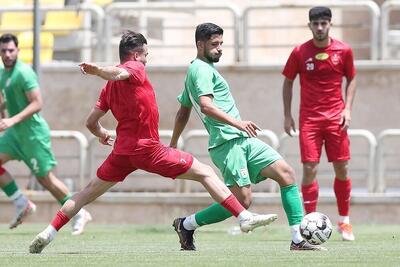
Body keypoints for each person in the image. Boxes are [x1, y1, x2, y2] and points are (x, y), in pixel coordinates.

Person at [29, 30, 278, 254]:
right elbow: (119, 72)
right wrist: (97, 70)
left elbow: (91, 123)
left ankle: (48, 232)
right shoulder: (135, 70)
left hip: (122, 153)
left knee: (85, 193)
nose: (147, 59)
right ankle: (244, 216)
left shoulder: (108, 89)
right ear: (136, 55)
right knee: (205, 172)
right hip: (148, 149)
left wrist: (103, 134)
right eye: (146, 54)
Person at [170, 23, 325, 251]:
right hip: (227, 143)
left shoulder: (199, 70)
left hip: (243, 140)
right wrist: (239, 123)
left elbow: (183, 110)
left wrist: (173, 143)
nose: (220, 48)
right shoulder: (201, 70)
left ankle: (297, 239)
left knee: (286, 174)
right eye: (214, 45)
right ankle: (187, 224)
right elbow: (205, 106)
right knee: (241, 202)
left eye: (221, 43)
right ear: (199, 44)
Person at [0, 33, 91, 235]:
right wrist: (4, 116)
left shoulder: (23, 73)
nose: (7, 54)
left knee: (46, 180)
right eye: (4, 50)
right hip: (14, 135)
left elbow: (37, 103)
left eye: (11, 50)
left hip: (32, 134)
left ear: (18, 51)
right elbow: (4, 101)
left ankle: (79, 212)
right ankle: (21, 202)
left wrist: (12, 120)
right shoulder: (2, 74)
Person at [282, 6, 357, 241]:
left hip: (336, 119)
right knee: (309, 169)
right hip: (310, 120)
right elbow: (287, 82)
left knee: (342, 168)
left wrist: (347, 108)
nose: (320, 27)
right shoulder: (300, 52)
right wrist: (287, 114)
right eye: (316, 24)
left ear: (330, 24)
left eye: (324, 23)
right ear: (310, 26)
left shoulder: (343, 50)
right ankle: (310, 222)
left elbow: (352, 78)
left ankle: (344, 221)